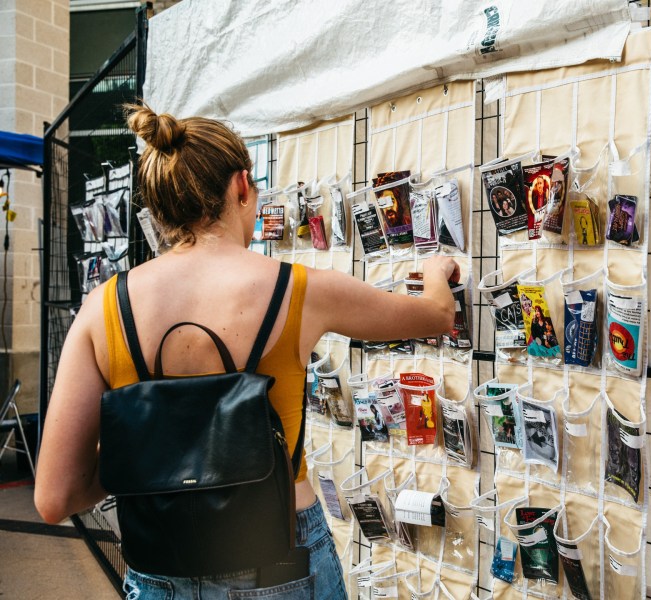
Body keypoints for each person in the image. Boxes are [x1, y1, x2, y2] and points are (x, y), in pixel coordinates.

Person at [33, 104, 459, 599]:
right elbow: (436, 317)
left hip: (159, 571)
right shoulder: (299, 290)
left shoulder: (102, 309)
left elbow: (53, 497)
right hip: (280, 560)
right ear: (241, 186)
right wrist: (435, 274)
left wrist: (154, 454)